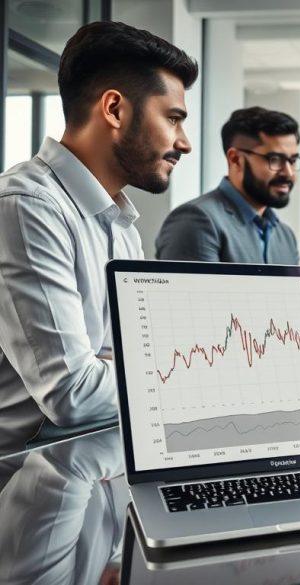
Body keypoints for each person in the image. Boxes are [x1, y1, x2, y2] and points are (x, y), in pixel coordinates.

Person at [0, 22, 197, 455]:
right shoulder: (27, 205)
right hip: (25, 483)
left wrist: (127, 370)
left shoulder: (121, 225)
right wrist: (186, 378)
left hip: (102, 463)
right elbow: (73, 394)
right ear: (114, 109)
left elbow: (126, 362)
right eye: (173, 118)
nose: (183, 143)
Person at [155, 107, 300, 263]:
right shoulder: (196, 220)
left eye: (292, 161)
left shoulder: (286, 237)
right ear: (235, 159)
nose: (289, 173)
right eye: (274, 159)